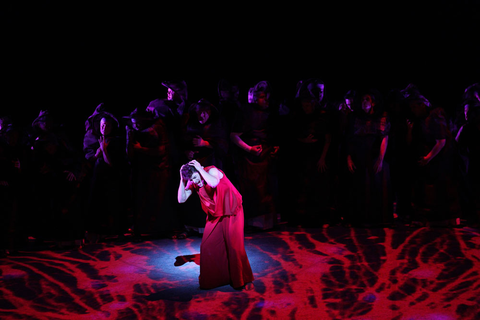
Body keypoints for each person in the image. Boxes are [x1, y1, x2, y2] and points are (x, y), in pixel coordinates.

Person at [177, 159, 254, 290]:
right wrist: (182, 179)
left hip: (231, 211)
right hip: (215, 214)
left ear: (199, 169)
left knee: (233, 246)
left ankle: (239, 279)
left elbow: (213, 183)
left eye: (195, 177)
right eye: (192, 179)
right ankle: (217, 280)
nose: (195, 181)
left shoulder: (211, 170)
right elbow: (181, 199)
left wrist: (200, 169)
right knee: (207, 246)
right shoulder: (194, 181)